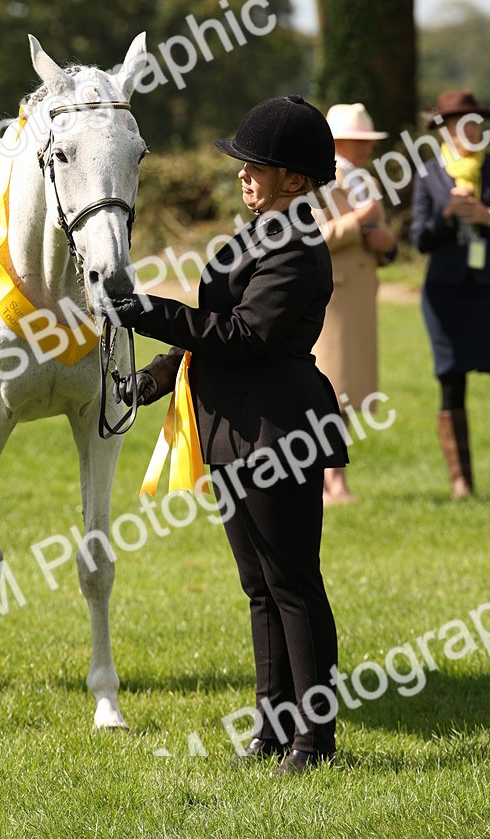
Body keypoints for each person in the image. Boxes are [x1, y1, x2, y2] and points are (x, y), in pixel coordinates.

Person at [109, 94, 348, 774]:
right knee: (259, 587)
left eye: (258, 165)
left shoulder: (299, 250)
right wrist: (154, 378)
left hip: (277, 430)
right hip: (229, 429)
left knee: (293, 584)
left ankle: (316, 741)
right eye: (243, 163)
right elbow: (215, 335)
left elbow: (244, 337)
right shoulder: (249, 239)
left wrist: (142, 310)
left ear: (295, 181)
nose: (243, 173)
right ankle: (273, 731)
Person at [312, 103, 398, 504]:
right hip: (334, 298)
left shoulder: (363, 178)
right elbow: (313, 237)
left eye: (368, 142)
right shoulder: (321, 179)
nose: (365, 148)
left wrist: (386, 246)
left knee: (341, 395)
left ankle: (333, 481)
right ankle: (332, 483)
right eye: (358, 141)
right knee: (332, 391)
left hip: (358, 298)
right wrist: (356, 224)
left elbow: (375, 234)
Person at [410, 89, 490, 498]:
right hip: (444, 296)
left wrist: (484, 216)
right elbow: (419, 238)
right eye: (463, 123)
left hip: (486, 288)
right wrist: (446, 217)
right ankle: (461, 481)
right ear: (445, 129)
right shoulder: (428, 175)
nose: (473, 129)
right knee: (451, 382)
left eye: (477, 123)